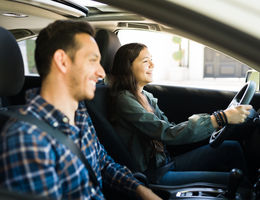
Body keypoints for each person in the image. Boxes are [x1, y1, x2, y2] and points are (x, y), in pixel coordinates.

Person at [0, 21, 162, 200]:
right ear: (62, 61)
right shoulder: (27, 139)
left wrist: (141, 190)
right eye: (93, 60)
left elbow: (103, 164)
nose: (101, 73)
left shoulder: (80, 114)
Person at [109, 42, 253, 185]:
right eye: (146, 61)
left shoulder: (145, 96)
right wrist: (220, 118)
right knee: (235, 182)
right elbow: (167, 133)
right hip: (153, 174)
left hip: (166, 162)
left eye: (152, 60)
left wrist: (215, 122)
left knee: (231, 148)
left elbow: (170, 127)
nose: (152, 65)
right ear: (128, 67)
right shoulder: (125, 100)